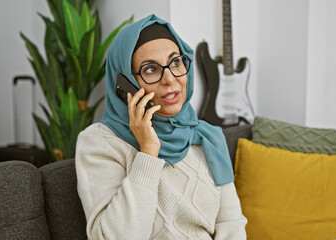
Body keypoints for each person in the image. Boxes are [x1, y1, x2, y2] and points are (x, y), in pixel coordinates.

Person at [75, 14, 247, 240]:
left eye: (176, 62)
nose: (169, 78)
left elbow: (231, 223)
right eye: (150, 69)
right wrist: (147, 151)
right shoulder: (99, 143)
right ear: (126, 83)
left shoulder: (207, 136)